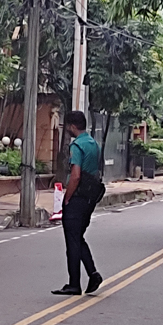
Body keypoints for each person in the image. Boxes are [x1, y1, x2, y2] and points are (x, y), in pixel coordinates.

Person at [52, 111, 104, 296]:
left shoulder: (77, 146)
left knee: (72, 241)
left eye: (67, 126)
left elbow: (75, 175)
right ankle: (93, 273)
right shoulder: (93, 144)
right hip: (90, 198)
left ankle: (74, 283)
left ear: (73, 126)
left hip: (78, 197)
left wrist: (67, 198)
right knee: (78, 238)